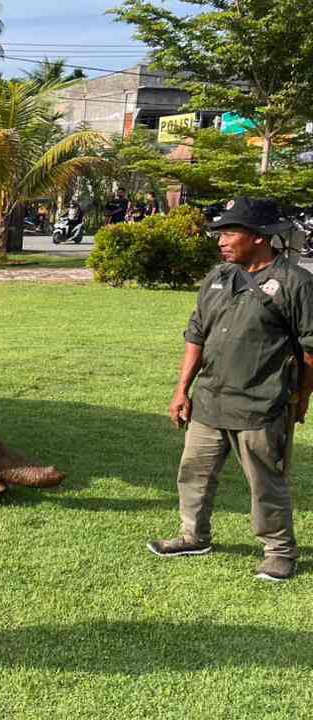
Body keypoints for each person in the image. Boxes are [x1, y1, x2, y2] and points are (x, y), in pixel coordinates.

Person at [148, 197, 313, 582]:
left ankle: (279, 552)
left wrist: (302, 397)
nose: (221, 241)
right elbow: (196, 335)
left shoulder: (296, 283)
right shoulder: (217, 277)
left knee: (265, 482)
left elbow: (310, 349)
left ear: (258, 237)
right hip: (209, 400)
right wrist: (181, 390)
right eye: (219, 233)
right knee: (194, 472)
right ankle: (193, 536)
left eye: (230, 233)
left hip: (261, 403)